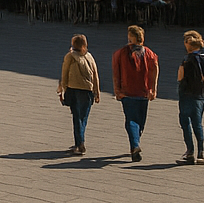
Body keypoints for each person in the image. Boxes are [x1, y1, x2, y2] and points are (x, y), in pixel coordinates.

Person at [112, 24, 160, 163]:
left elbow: (116, 71)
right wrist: (153, 89)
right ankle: (135, 144)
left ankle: (135, 145)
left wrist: (117, 89)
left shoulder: (121, 53)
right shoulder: (150, 53)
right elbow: (155, 70)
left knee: (131, 120)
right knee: (140, 121)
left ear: (130, 38)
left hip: (127, 92)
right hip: (143, 92)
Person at [57, 33, 101, 156]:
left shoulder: (70, 57)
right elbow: (95, 75)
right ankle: (80, 141)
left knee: (77, 117)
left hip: (73, 89)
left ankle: (79, 143)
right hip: (87, 91)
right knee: (83, 117)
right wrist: (97, 92)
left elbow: (64, 73)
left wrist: (63, 88)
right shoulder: (89, 57)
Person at [176, 30, 204, 165]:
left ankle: (189, 152)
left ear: (187, 44)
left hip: (186, 95)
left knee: (186, 123)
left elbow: (180, 77)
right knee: (198, 123)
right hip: (200, 96)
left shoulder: (186, 60)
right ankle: (200, 153)